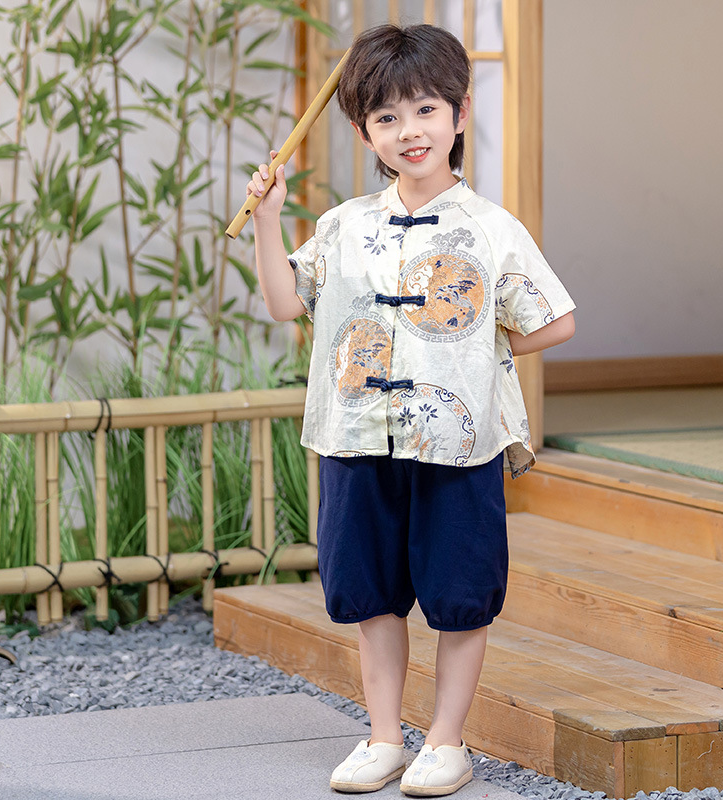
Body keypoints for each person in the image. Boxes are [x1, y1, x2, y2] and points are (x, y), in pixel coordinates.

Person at [247, 23, 575, 797]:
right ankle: (384, 737)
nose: (409, 131)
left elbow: (554, 322)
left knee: (461, 594)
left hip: (457, 444)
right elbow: (284, 303)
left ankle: (447, 742)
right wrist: (267, 217)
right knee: (371, 593)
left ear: (460, 114)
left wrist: (470, 345)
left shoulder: (492, 228)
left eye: (425, 109)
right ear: (365, 133)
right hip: (356, 436)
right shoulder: (343, 225)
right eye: (387, 117)